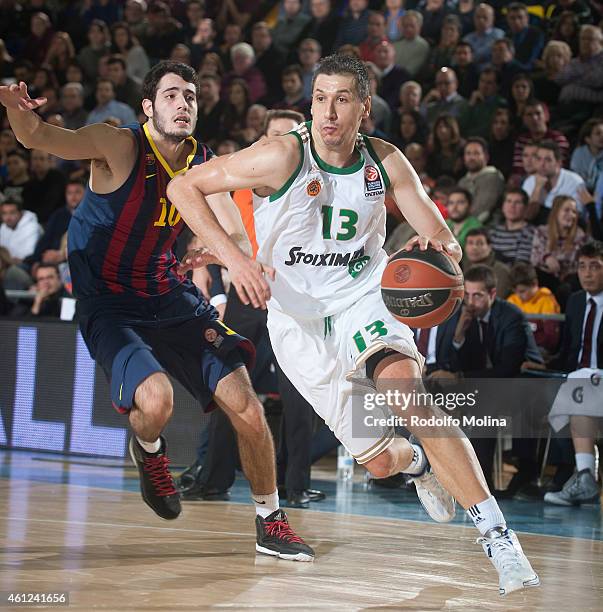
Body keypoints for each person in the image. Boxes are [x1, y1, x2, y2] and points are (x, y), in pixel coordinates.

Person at [167, 54, 540, 595]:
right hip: (296, 324)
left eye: (342, 99)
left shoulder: (385, 162)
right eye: (319, 97)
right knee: (383, 462)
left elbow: (448, 246)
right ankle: (417, 464)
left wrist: (436, 251)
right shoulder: (281, 154)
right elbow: (185, 188)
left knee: (409, 396)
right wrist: (236, 259)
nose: (328, 111)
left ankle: (500, 540)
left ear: (364, 108)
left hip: (364, 299)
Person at [0, 61, 313, 562]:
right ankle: (148, 451)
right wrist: (16, 109)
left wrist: (217, 249)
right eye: (170, 95)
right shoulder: (117, 144)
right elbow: (37, 136)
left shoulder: (203, 163)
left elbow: (233, 230)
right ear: (148, 108)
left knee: (247, 406)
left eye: (189, 95)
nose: (183, 103)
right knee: (158, 401)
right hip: (109, 301)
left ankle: (270, 521)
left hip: (167, 293)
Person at [544, 241, 603, 506]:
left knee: (578, 388)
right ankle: (578, 475)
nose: (587, 273)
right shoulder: (576, 301)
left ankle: (578, 474)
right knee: (546, 389)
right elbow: (569, 348)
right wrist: (543, 361)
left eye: (595, 267)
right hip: (579, 379)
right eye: (582, 267)